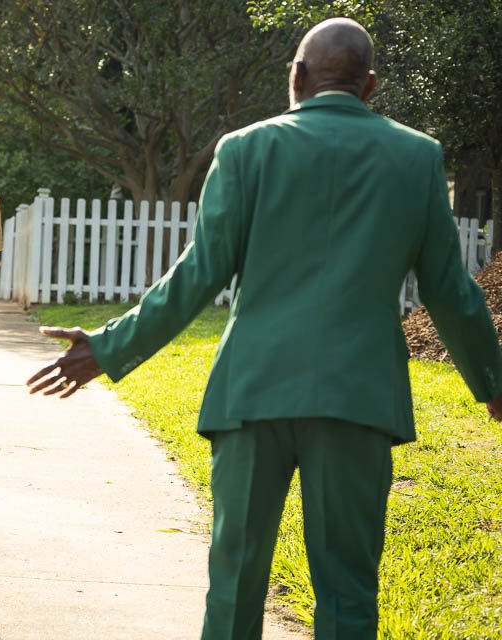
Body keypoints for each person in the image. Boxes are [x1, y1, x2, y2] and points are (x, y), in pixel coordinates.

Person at [27, 17, 502, 639]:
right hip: (357, 398)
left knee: (234, 583)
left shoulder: (246, 149)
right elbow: (450, 291)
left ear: (296, 77)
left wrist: (111, 345)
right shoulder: (416, 156)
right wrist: (493, 384)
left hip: (252, 393)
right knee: (348, 591)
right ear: (372, 85)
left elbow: (198, 274)